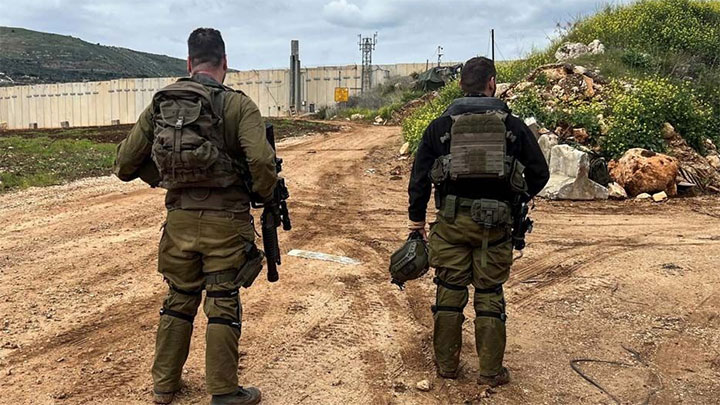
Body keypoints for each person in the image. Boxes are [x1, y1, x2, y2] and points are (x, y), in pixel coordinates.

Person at [114, 28, 277, 405]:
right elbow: (261, 161)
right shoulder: (238, 106)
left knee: (179, 298)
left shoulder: (162, 104)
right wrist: (261, 194)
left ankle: (164, 387)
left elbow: (124, 164)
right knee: (222, 299)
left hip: (179, 221)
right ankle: (224, 391)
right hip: (227, 223)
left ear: (189, 62)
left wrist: (166, 179)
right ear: (225, 62)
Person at [407, 57, 549, 386]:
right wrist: (516, 196)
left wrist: (416, 223)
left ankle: (447, 367)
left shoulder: (439, 127)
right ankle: (490, 372)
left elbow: (419, 180)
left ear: (460, 85)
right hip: (495, 227)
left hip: (451, 224)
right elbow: (540, 173)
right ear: (492, 83)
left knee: (449, 292)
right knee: (489, 294)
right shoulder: (514, 126)